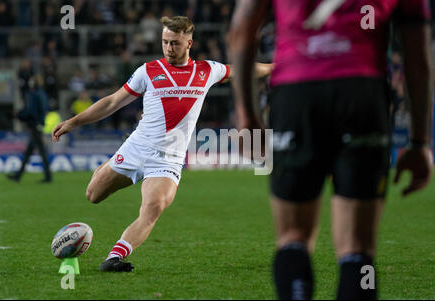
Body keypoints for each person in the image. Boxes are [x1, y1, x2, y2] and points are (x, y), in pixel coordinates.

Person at [227, 0, 434, 299]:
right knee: (358, 249)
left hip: (297, 94)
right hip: (362, 93)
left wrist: (247, 114)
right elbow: (417, 53)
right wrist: (420, 141)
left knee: (292, 239)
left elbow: (242, 27)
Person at [52, 16, 273, 272]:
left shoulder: (207, 70)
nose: (169, 48)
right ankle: (111, 166)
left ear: (189, 42)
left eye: (175, 43)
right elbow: (113, 102)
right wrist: (73, 122)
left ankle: (114, 258)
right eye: (165, 42)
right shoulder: (148, 71)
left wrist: (274, 67)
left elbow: (244, 70)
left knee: (152, 208)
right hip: (136, 147)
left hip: (167, 160)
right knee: (93, 195)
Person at [8, 74, 52, 183]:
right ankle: (18, 176)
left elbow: (31, 111)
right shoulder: (42, 94)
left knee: (41, 152)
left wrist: (18, 115)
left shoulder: (34, 94)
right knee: (29, 153)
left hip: (35, 126)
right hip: (38, 125)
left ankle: (48, 177)